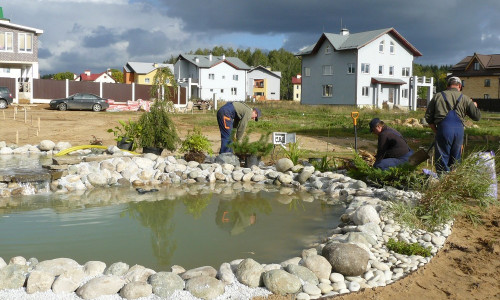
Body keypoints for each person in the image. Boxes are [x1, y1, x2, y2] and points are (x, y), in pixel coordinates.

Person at [425, 76, 481, 172]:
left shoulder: (438, 96)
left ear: (447, 86)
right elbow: (477, 117)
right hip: (459, 131)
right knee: (455, 160)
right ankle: (453, 182)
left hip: (443, 130)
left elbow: (428, 118)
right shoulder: (466, 98)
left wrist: (436, 131)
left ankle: (442, 183)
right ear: (459, 86)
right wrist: (474, 106)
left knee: (442, 159)